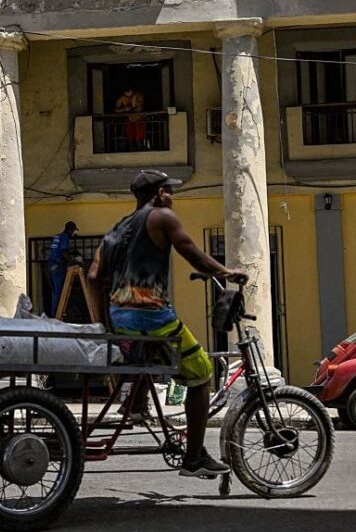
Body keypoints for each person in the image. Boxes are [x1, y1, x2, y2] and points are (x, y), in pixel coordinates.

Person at [87, 169, 247, 478]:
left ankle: (135, 405)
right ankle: (194, 458)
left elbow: (94, 276)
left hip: (122, 319)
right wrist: (227, 273)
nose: (171, 197)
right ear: (159, 194)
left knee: (152, 359)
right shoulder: (161, 217)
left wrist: (104, 323)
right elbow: (192, 254)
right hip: (152, 316)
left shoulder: (117, 229)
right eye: (168, 191)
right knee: (202, 373)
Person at [46, 221, 79, 316]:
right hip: (58, 266)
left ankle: (55, 312)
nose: (73, 233)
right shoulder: (64, 237)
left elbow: (57, 250)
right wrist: (72, 262)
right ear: (70, 229)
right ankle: (57, 313)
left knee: (55, 291)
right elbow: (63, 251)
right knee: (59, 291)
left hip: (51, 266)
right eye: (72, 231)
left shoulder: (57, 236)